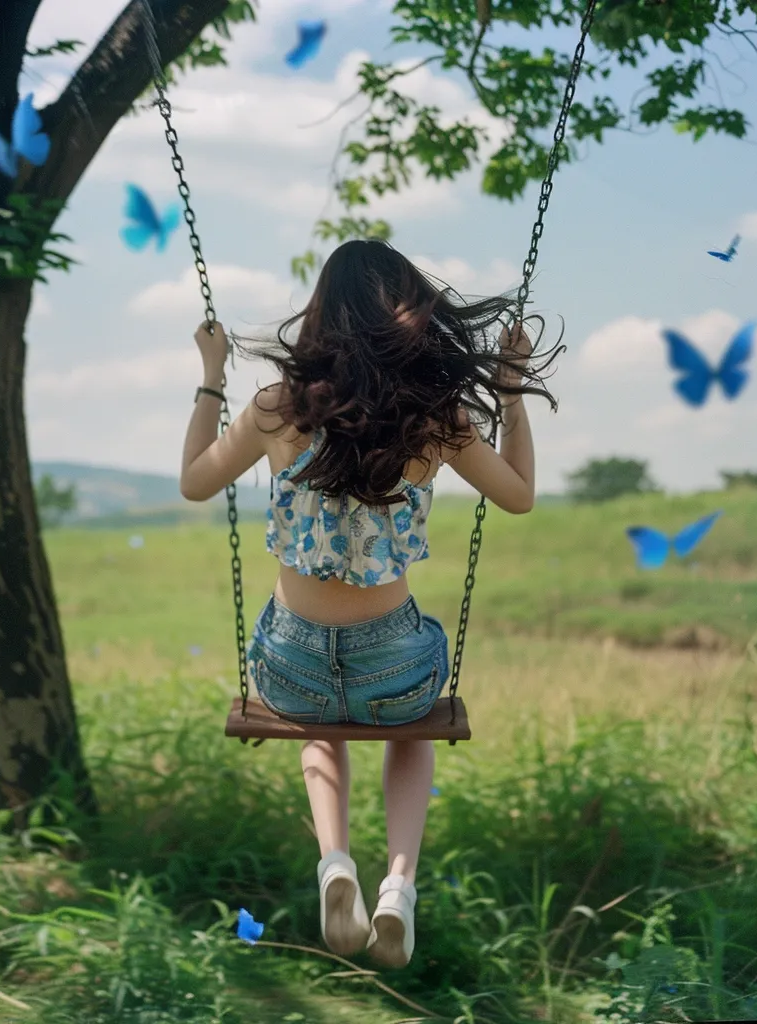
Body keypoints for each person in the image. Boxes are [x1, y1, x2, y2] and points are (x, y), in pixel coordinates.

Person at [180, 239, 562, 968]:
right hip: (395, 670)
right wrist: (509, 394)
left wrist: (209, 379)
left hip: (291, 665)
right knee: (413, 725)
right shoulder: (435, 417)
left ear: (322, 317)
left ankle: (335, 864)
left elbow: (196, 482)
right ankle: (399, 884)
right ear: (406, 316)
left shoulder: (274, 410)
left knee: (319, 724)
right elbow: (519, 495)